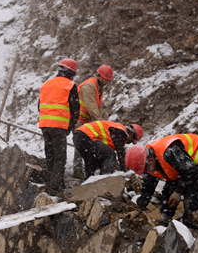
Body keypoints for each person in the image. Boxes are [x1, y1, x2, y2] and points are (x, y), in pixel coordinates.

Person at [125, 134, 198, 226]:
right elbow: (148, 188)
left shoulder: (169, 152)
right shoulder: (147, 165)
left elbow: (189, 170)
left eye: (147, 167)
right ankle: (165, 223)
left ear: (150, 158)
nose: (148, 171)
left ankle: (190, 229)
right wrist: (138, 210)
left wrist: (178, 191)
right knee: (168, 195)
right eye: (145, 170)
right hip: (182, 166)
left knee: (192, 200)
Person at [38, 58, 80, 193]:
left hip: (45, 125)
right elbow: (75, 109)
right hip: (59, 126)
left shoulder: (47, 84)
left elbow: (39, 106)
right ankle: (55, 189)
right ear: (71, 73)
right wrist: (70, 125)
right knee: (59, 157)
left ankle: (51, 183)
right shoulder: (69, 85)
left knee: (50, 155)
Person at [73, 65, 113, 178]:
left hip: (86, 120)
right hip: (78, 119)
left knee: (86, 144)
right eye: (103, 78)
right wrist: (101, 124)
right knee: (79, 144)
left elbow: (98, 107)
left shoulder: (99, 88)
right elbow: (92, 107)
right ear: (98, 75)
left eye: (107, 80)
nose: (104, 81)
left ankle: (90, 168)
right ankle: (77, 169)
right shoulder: (90, 86)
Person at [73, 121, 142, 179]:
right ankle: (106, 180)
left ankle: (88, 182)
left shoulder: (115, 129)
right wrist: (125, 171)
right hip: (87, 136)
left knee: (91, 162)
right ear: (130, 134)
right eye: (132, 140)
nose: (128, 142)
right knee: (111, 155)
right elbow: (121, 153)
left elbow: (101, 155)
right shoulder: (121, 132)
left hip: (78, 136)